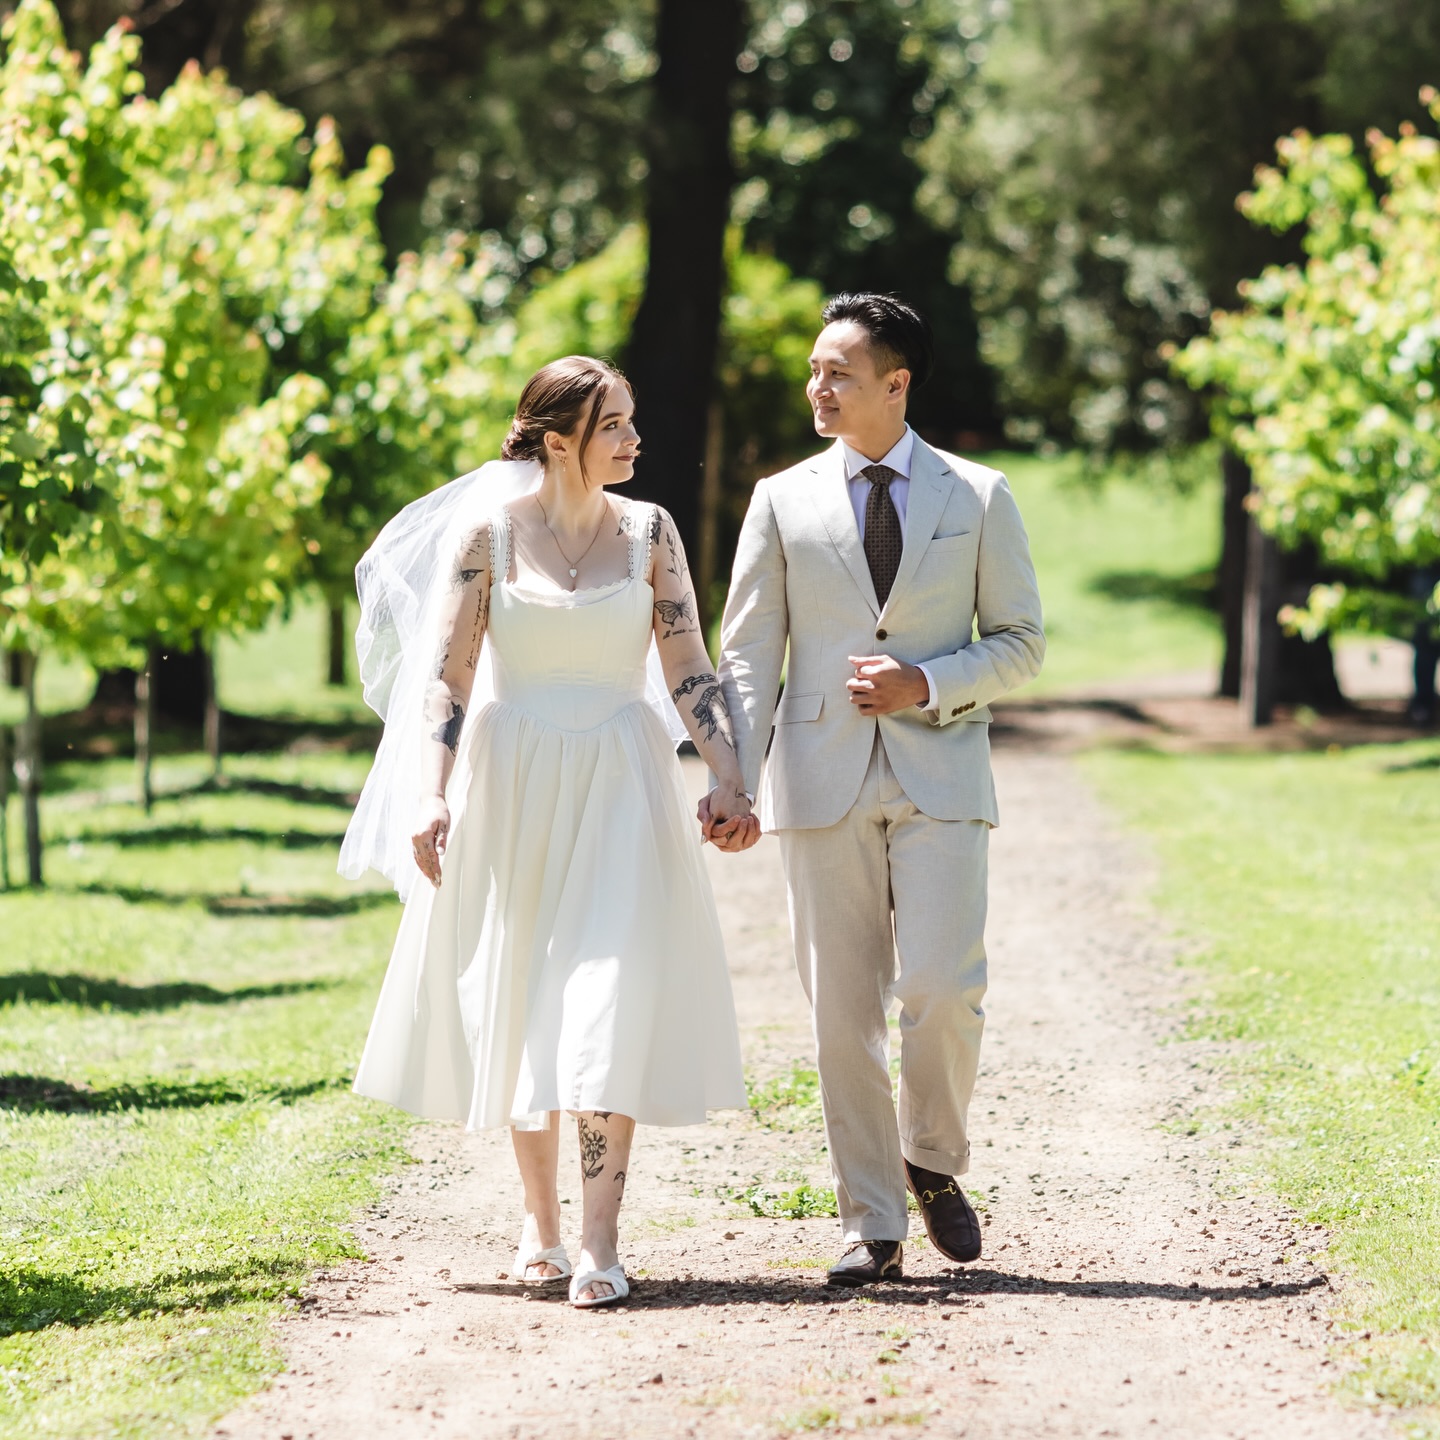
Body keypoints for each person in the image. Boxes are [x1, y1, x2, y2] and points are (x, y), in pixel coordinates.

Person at [342, 356, 755, 1309]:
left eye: (632, 422)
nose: (635, 441)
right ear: (560, 440)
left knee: (606, 992)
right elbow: (448, 673)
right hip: (514, 778)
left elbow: (688, 659)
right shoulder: (487, 537)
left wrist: (729, 773)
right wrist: (432, 794)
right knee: (526, 992)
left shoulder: (652, 532)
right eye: (615, 425)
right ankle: (540, 1224)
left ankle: (602, 1239)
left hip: (622, 777)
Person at [704, 294, 1045, 1286]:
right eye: (814, 371)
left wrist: (927, 684)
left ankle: (931, 1159)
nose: (818, 387)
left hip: (942, 776)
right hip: (817, 780)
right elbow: (747, 651)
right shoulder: (779, 500)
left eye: (838, 373)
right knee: (839, 1012)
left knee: (943, 987)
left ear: (896, 384)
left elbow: (1022, 643)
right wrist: (734, 776)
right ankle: (871, 1222)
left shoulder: (979, 498)